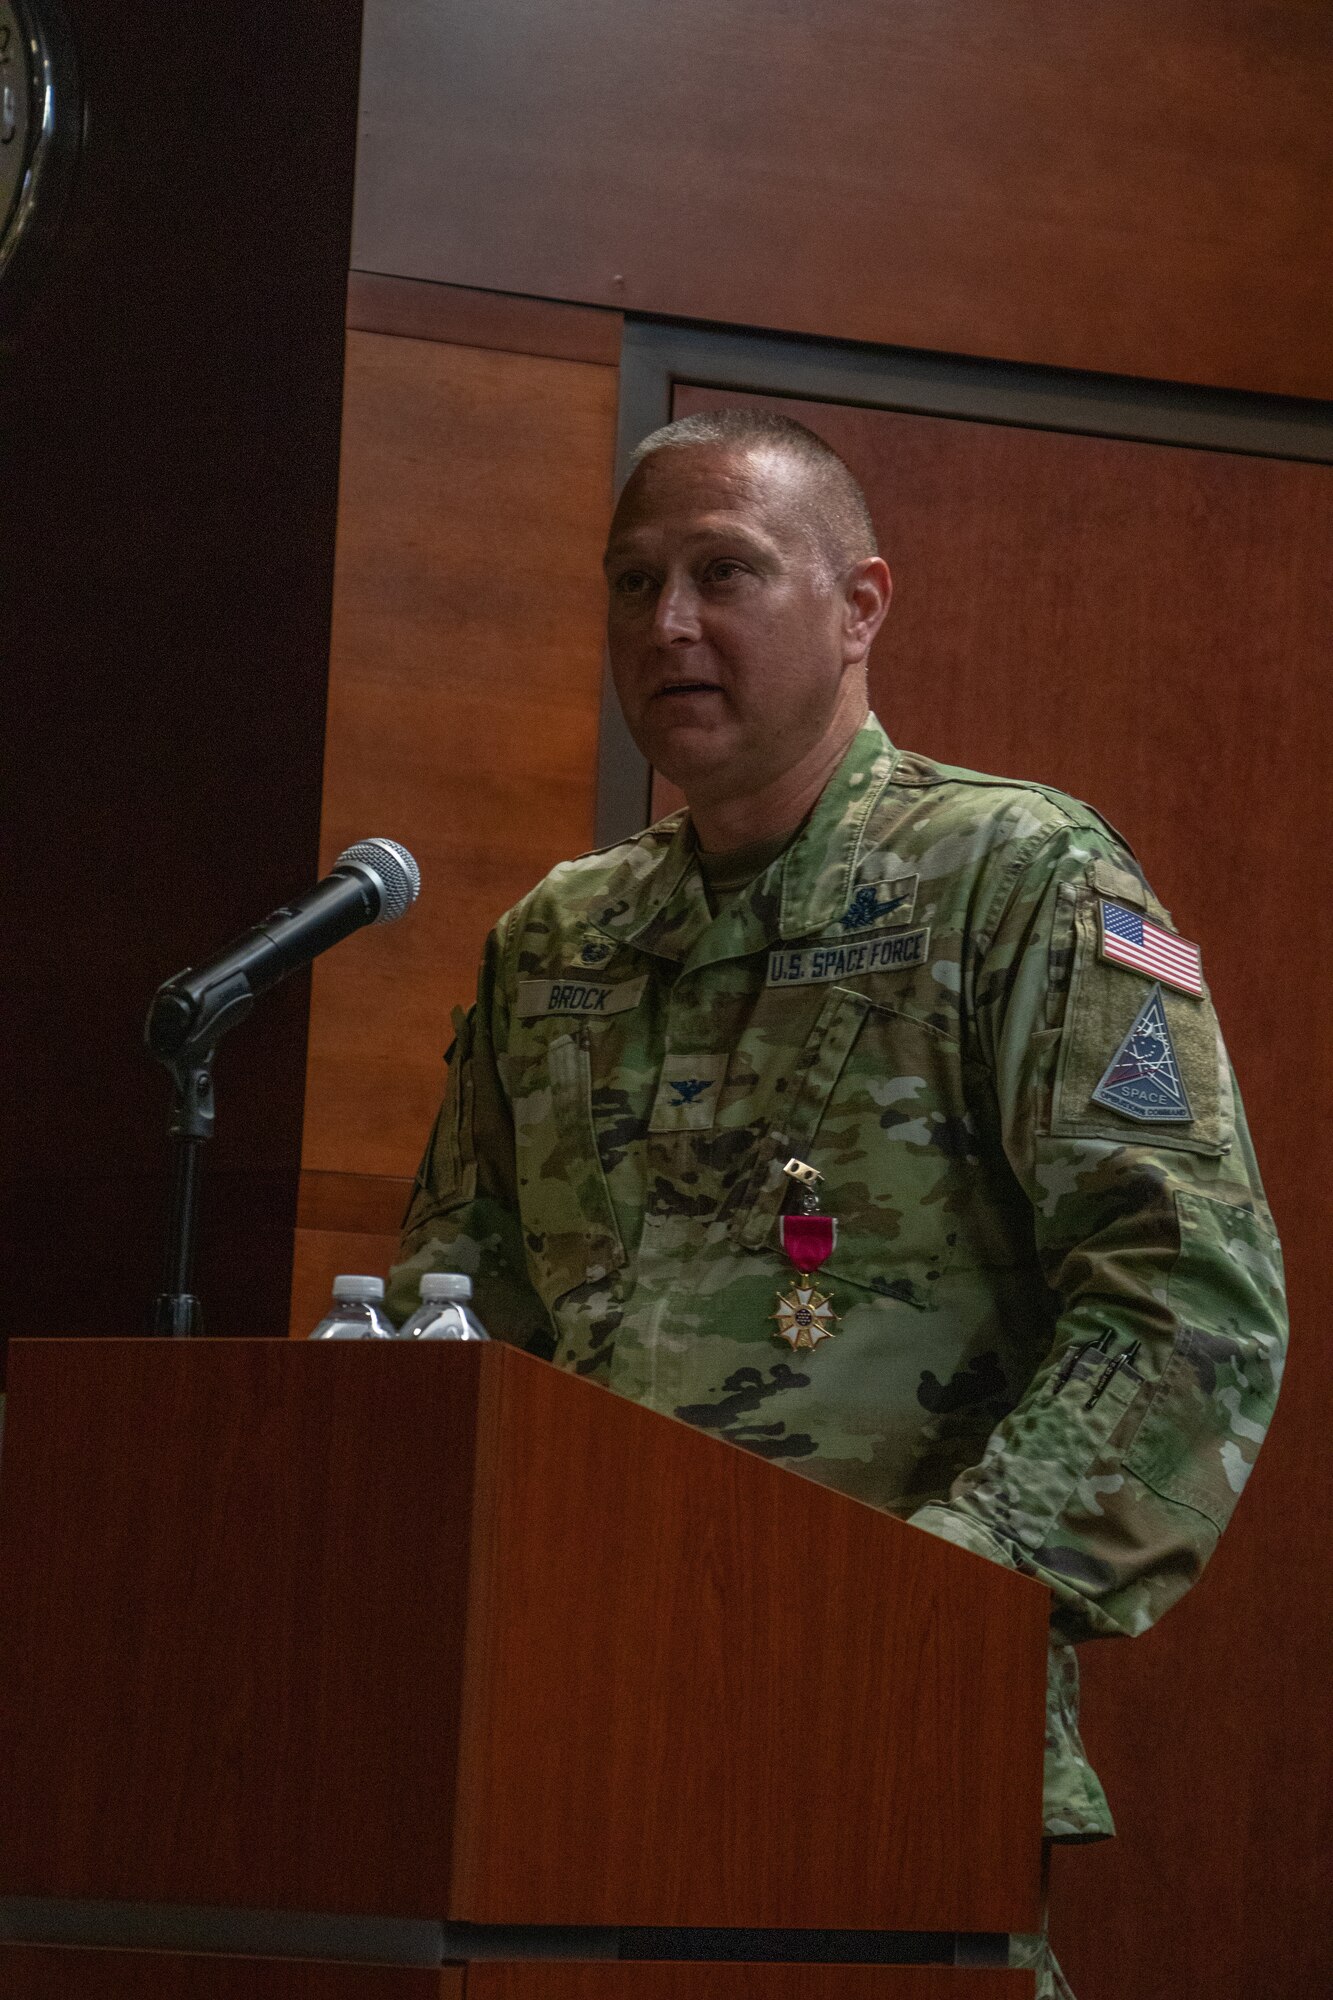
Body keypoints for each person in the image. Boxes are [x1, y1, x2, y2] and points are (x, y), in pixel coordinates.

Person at [388, 409, 1286, 1997]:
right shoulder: (557, 942)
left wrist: (929, 1607)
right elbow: (461, 1325)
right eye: (633, 580)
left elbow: (1184, 1306)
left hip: (881, 1746)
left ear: (859, 604)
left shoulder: (1013, 877)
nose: (668, 622)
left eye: (724, 572)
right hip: (558, 1743)